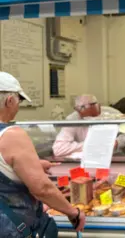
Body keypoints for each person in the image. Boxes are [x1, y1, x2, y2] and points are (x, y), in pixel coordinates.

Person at [0, 72, 85, 237]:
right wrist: (73, 213)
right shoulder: (11, 135)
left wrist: (32, 166)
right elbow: (42, 189)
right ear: (9, 101)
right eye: (20, 100)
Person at [52, 94, 125, 157]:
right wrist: (92, 144)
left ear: (99, 106)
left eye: (92, 115)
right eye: (84, 116)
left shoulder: (112, 113)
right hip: (86, 158)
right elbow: (59, 149)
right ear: (77, 110)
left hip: (114, 155)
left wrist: (118, 142)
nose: (89, 119)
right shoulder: (72, 119)